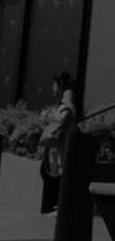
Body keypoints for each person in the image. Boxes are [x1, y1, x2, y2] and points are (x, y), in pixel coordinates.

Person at [39, 72, 78, 214]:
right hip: (56, 148)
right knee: (52, 174)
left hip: (61, 147)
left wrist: (51, 124)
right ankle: (55, 207)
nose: (52, 89)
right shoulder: (63, 103)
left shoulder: (67, 101)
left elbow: (66, 116)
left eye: (54, 85)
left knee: (58, 176)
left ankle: (58, 207)